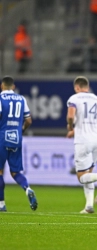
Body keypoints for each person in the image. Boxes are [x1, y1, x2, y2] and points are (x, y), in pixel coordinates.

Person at [66, 76, 97, 214]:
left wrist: (70, 126)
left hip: (82, 140)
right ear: (87, 86)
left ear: (77, 87)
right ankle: (89, 206)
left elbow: (70, 116)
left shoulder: (74, 98)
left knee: (82, 176)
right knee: (88, 173)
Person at [0, 76, 37, 211]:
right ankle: (27, 189)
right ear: (13, 87)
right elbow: (28, 121)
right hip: (16, 138)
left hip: (2, 137)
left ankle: (1, 205)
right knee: (15, 172)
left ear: (2, 86)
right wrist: (20, 130)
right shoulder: (21, 99)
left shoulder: (0, 98)